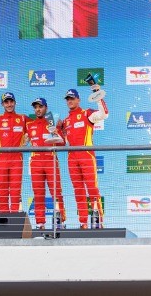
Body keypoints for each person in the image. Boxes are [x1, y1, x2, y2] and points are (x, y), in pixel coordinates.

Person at [57, 88, 108, 228]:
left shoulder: (87, 113)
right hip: (72, 158)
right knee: (78, 190)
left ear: (78, 100)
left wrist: (98, 96)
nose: (70, 101)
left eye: (72, 98)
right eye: (68, 99)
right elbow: (61, 143)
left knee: (92, 189)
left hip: (86, 155)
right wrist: (58, 130)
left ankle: (99, 222)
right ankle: (83, 222)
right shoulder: (66, 121)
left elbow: (104, 114)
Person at [25, 98, 67, 228]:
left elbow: (62, 143)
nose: (38, 109)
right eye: (36, 107)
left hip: (50, 160)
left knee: (56, 192)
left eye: (40, 107)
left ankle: (60, 222)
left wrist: (56, 132)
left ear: (46, 108)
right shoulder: (29, 125)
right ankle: (40, 224)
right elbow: (22, 143)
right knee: (38, 194)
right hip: (36, 162)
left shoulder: (52, 122)